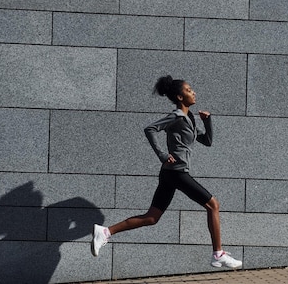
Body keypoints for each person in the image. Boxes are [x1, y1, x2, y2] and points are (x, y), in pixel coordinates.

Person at [91, 75, 242, 269]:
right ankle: (218, 254)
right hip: (176, 172)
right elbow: (150, 129)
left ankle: (105, 232)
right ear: (180, 97)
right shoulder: (177, 116)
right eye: (189, 90)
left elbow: (207, 141)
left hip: (170, 174)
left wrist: (208, 121)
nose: (193, 92)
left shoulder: (190, 119)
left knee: (151, 218)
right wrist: (162, 154)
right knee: (213, 204)